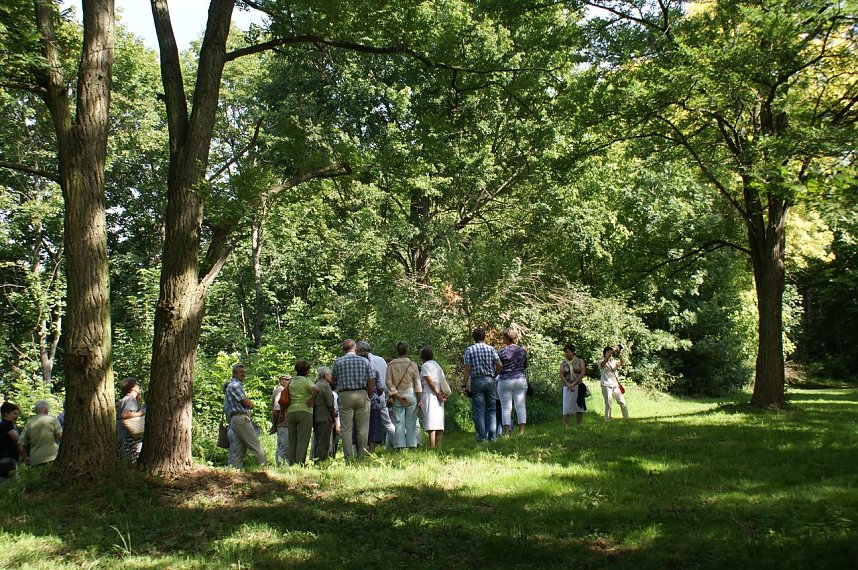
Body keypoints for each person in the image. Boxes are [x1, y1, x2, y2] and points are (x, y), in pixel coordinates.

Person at [331, 339, 375, 460]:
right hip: (362, 393)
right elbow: (371, 380)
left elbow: (333, 380)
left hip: (345, 395)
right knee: (363, 428)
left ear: (343, 349)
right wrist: (368, 396)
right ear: (355, 348)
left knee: (346, 429)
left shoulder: (338, 362)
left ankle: (348, 456)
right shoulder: (364, 361)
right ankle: (361, 456)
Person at [223, 364, 268, 468]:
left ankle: (234, 471)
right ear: (234, 374)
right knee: (255, 445)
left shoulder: (233, 385)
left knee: (238, 449)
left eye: (244, 372)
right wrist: (251, 404)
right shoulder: (235, 385)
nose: (243, 374)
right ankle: (264, 468)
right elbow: (247, 403)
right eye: (240, 372)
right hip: (241, 419)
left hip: (236, 420)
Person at [462, 327, 502, 442]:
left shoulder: (469, 350)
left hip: (477, 381)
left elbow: (467, 369)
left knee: (479, 410)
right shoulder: (491, 349)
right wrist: (493, 375)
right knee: (492, 409)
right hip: (490, 380)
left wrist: (464, 385)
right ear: (484, 337)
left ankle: (482, 437)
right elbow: (499, 365)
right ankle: (493, 437)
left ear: (473, 338)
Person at [356, 340, 395, 448]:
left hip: (369, 396)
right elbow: (386, 377)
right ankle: (398, 444)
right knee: (387, 424)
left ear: (361, 350)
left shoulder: (363, 361)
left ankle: (363, 449)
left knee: (364, 424)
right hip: (381, 395)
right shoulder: (381, 360)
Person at [385, 341, 422, 450]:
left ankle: (400, 447)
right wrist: (420, 399)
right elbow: (417, 384)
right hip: (411, 395)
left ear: (397, 350)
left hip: (397, 397)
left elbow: (388, 382)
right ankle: (412, 445)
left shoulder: (391, 365)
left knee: (399, 423)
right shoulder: (412, 364)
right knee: (411, 422)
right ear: (407, 350)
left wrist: (397, 395)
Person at [497, 329, 528, 436]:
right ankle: (521, 432)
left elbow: (498, 366)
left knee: (505, 407)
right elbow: (525, 365)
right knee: (520, 406)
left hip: (505, 380)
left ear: (506, 338)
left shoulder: (500, 352)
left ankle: (506, 433)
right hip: (519, 379)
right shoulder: (522, 351)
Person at [285, 360, 316, 466]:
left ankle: (291, 463)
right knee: (303, 439)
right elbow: (316, 389)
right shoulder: (306, 381)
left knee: (292, 439)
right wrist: (312, 399)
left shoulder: (291, 381)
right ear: (307, 371)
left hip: (291, 412)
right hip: (304, 411)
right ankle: (300, 463)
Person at [19, 400, 63, 467]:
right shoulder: (52, 420)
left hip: (35, 460)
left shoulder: (29, 423)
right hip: (52, 457)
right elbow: (60, 436)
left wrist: (25, 458)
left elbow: (20, 444)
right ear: (46, 409)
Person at [419, 346, 447, 449]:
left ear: (422, 356)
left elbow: (429, 380)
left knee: (431, 421)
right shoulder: (436, 365)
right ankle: (438, 446)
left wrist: (437, 393)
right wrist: (441, 393)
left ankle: (432, 446)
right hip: (439, 393)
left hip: (430, 394)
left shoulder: (425, 366)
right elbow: (442, 379)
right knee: (438, 421)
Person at [117, 376, 145, 462]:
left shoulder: (125, 399)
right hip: (129, 438)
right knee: (131, 461)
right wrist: (140, 413)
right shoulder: (130, 399)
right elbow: (125, 414)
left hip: (122, 435)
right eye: (137, 385)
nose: (138, 387)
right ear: (132, 388)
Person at [312, 366, 336, 461]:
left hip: (316, 416)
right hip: (325, 416)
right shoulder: (325, 386)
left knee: (318, 440)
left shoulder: (316, 385)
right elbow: (330, 404)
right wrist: (333, 418)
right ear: (325, 375)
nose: (330, 376)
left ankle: (317, 459)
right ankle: (321, 460)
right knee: (324, 441)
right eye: (329, 374)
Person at [599, 345, 629, 421]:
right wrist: (613, 350)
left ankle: (626, 418)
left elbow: (621, 362)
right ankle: (607, 419)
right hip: (606, 385)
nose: (610, 353)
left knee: (622, 402)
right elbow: (603, 363)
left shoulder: (614, 362)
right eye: (608, 352)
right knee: (608, 403)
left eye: (611, 352)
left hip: (615, 386)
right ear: (605, 354)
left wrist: (620, 353)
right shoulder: (601, 362)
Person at [561, 344, 588, 427]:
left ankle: (578, 424)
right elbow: (561, 375)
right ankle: (566, 425)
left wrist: (574, 383)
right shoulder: (563, 363)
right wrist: (568, 385)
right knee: (566, 407)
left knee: (579, 406)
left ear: (573, 352)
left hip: (578, 386)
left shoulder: (580, 361)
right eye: (565, 352)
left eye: (568, 352)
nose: (566, 353)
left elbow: (582, 372)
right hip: (567, 386)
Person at [271, 374, 292, 467]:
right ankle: (281, 466)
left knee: (283, 445)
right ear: (282, 381)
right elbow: (275, 411)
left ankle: (281, 464)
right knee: (283, 446)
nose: (289, 382)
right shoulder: (280, 390)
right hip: (283, 423)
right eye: (287, 380)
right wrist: (275, 425)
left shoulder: (284, 390)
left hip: (284, 423)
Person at [0, 402, 24, 481]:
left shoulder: (3, 424)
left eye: (17, 414)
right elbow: (18, 440)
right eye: (14, 413)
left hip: (4, 458)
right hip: (8, 459)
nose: (17, 416)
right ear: (6, 414)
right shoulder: (7, 425)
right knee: (12, 482)